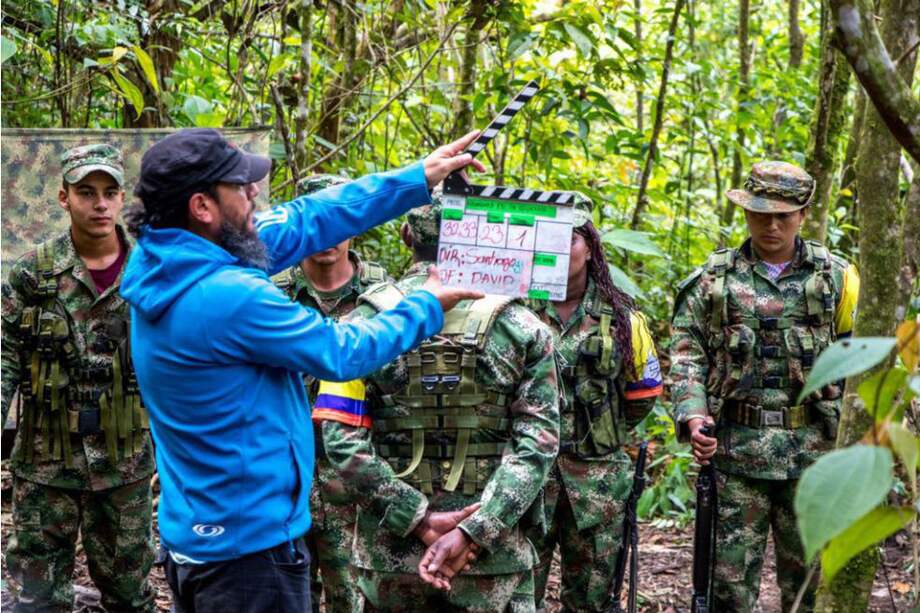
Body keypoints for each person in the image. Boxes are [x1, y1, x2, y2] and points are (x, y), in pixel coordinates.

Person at [118, 128, 484, 613]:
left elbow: (309, 218)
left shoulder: (164, 258)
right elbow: (342, 350)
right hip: (246, 556)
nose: (253, 194)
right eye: (239, 187)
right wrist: (427, 304)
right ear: (202, 206)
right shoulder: (225, 297)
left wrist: (419, 176)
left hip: (201, 534)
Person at [315, 199, 560, 612]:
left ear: (407, 236)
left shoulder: (360, 326)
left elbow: (340, 439)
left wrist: (416, 518)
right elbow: (538, 444)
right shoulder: (523, 327)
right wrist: (474, 532)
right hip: (492, 559)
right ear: (477, 241)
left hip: (390, 555)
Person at [669, 161, 860, 611]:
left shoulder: (836, 278)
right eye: (760, 214)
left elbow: (861, 357)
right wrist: (694, 413)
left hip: (814, 456)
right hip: (736, 456)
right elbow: (685, 354)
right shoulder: (714, 280)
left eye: (784, 216)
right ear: (745, 213)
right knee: (729, 591)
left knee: (811, 587)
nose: (771, 226)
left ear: (803, 215)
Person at [1, 144, 155, 613]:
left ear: (123, 197)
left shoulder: (151, 271)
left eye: (110, 192)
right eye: (87, 192)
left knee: (130, 597)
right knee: (37, 598)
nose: (101, 204)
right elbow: (4, 352)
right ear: (64, 197)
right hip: (46, 464)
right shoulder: (34, 273)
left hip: (124, 464)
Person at [526, 196, 662, 612]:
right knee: (517, 595)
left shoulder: (622, 317)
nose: (559, 249)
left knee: (592, 600)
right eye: (548, 239)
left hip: (597, 483)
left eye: (569, 239)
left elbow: (643, 394)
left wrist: (597, 428)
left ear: (590, 247)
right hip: (526, 480)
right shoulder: (514, 309)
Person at [273, 173, 390, 613]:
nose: (328, 235)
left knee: (355, 600)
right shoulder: (269, 292)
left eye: (338, 220)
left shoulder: (384, 295)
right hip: (285, 481)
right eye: (318, 220)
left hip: (359, 484)